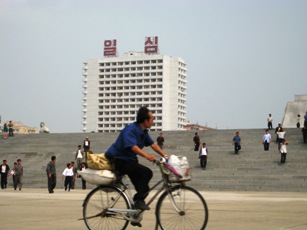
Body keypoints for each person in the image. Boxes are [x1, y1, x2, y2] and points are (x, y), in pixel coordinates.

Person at [105, 106, 168, 212]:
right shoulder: (130, 130)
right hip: (118, 160)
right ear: (145, 121)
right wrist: (147, 156)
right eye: (152, 118)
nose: (153, 121)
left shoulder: (143, 132)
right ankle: (137, 202)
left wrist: (165, 155)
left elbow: (153, 144)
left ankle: (134, 213)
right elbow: (133, 147)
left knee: (143, 189)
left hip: (129, 160)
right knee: (147, 173)